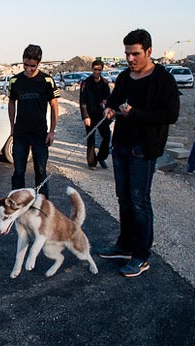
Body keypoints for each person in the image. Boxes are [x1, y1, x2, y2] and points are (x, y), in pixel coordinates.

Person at [98, 29, 180, 277]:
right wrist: (110, 109)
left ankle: (141, 256)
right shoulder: (124, 76)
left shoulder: (163, 80)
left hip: (143, 150)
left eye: (135, 53)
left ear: (149, 51)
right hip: (120, 146)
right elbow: (113, 99)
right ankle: (124, 245)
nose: (130, 58)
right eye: (127, 53)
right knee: (123, 198)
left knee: (139, 202)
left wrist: (135, 114)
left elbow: (170, 115)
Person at [8, 44, 60, 199]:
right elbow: (11, 103)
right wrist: (12, 127)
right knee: (18, 172)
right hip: (21, 133)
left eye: (32, 66)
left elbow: (54, 105)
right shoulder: (15, 81)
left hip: (40, 134)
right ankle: (17, 203)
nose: (28, 69)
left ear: (39, 62)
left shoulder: (47, 80)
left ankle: (42, 206)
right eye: (25, 65)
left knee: (41, 171)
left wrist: (52, 131)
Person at [79, 59, 111, 169]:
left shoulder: (105, 83)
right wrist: (85, 116)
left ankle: (101, 157)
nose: (97, 72)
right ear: (92, 69)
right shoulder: (86, 83)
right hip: (90, 115)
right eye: (95, 69)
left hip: (102, 115)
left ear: (102, 70)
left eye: (99, 70)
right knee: (91, 139)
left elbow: (108, 98)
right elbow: (82, 101)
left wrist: (107, 105)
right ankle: (92, 162)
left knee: (107, 136)